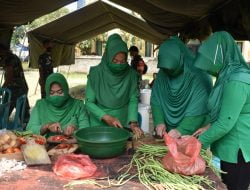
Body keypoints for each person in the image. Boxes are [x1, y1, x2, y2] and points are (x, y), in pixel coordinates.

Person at [193, 31, 250, 190]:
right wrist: (208, 127)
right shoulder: (228, 75)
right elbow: (229, 112)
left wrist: (197, 144)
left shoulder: (237, 80)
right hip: (230, 146)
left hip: (238, 149)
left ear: (220, 57)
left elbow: (226, 122)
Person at [150, 37, 212, 138]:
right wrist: (159, 122)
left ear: (181, 58)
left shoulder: (199, 75)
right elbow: (156, 99)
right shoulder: (163, 72)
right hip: (168, 134)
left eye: (171, 69)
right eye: (165, 69)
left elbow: (199, 108)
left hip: (194, 133)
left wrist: (181, 130)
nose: (167, 72)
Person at [85, 34, 143, 137]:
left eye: (123, 61)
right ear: (108, 57)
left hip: (122, 121)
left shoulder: (131, 75)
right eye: (115, 61)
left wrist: (133, 123)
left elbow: (133, 99)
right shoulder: (96, 74)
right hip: (99, 121)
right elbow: (89, 103)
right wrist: (106, 117)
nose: (119, 65)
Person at [0, 43, 30, 123]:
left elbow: (9, 76)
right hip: (21, 87)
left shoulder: (9, 59)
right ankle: (25, 125)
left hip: (15, 89)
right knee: (23, 110)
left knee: (5, 109)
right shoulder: (12, 56)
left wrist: (2, 89)